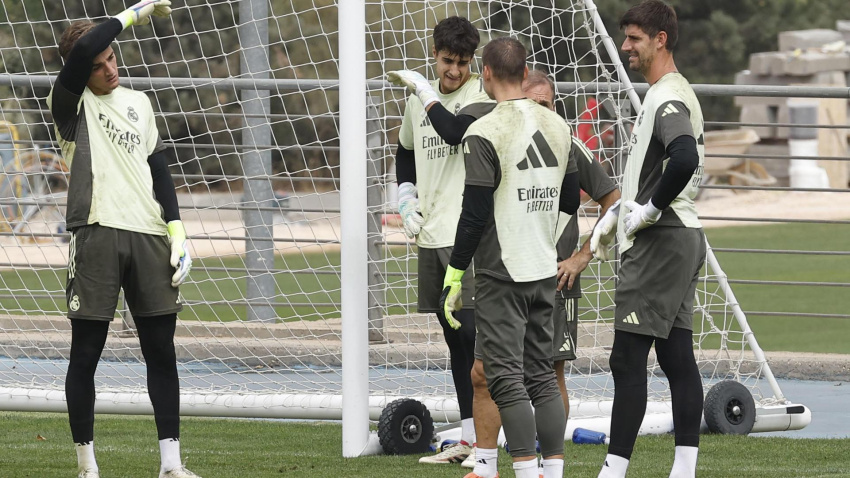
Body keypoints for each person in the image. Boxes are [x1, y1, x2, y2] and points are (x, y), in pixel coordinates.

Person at [48, 2, 197, 477]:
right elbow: (84, 49)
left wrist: (176, 229)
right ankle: (87, 467)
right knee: (86, 353)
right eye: (98, 64)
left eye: (112, 58)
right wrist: (132, 13)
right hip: (96, 233)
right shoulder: (68, 104)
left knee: (162, 352)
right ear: (80, 70)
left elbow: (159, 169)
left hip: (149, 236)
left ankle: (171, 465)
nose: (109, 68)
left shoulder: (139, 102)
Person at [461, 70, 621, 478]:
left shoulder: (563, 137)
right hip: (505, 270)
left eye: (545, 104)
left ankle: (543, 465)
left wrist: (582, 256)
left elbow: (614, 199)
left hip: (553, 275)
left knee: (547, 373)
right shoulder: (499, 133)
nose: (538, 110)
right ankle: (485, 466)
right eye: (532, 102)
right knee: (483, 372)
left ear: (555, 105)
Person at [442, 37, 580, 478]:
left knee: (504, 378)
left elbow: (474, 214)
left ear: (484, 73)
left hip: (502, 272)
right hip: (544, 268)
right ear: (524, 74)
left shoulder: (483, 131)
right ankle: (551, 472)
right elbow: (570, 201)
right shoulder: (558, 126)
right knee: (541, 376)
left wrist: (455, 271)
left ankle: (522, 470)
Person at [590, 2, 706, 477]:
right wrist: (622, 211)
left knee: (626, 358)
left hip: (663, 239)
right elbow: (661, 168)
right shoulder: (666, 92)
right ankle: (684, 470)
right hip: (682, 235)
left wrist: (650, 210)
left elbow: (684, 157)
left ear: (661, 40)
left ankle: (613, 471)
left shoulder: (668, 97)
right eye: (625, 37)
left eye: (635, 38)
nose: (625, 46)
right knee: (676, 356)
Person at [386, 16, 495, 465]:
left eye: (463, 63)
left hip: (467, 237)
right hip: (431, 235)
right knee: (454, 340)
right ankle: (469, 438)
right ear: (435, 54)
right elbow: (405, 150)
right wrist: (405, 196)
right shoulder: (418, 102)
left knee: (473, 336)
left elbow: (452, 132)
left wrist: (421, 89)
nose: (454, 71)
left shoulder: (479, 96)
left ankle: (492, 439)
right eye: (448, 61)